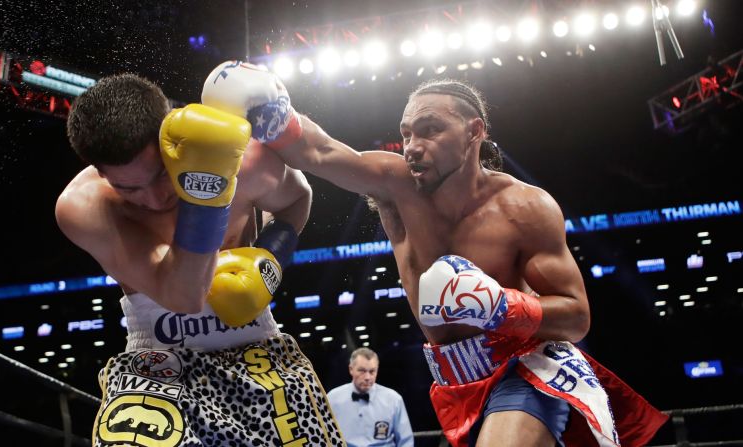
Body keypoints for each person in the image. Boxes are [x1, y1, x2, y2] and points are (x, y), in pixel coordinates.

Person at [201, 62, 669, 447]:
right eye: (406, 134)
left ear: (474, 132)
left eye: (430, 130)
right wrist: (277, 115)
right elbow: (320, 153)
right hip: (453, 380)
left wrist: (500, 305)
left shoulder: (525, 207)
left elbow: (577, 315)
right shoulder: (395, 185)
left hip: (526, 365)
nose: (413, 147)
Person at [56, 73, 346, 446]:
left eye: (163, 174)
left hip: (259, 352)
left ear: (171, 136)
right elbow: (184, 295)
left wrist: (271, 257)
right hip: (157, 365)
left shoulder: (248, 162)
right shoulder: (85, 207)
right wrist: (208, 193)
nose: (155, 198)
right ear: (100, 172)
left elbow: (297, 197)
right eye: (128, 188)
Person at [327, 348, 413, 447]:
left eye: (372, 371)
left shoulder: (393, 399)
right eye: (362, 371)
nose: (367, 377)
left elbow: (406, 442)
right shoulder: (332, 399)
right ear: (351, 369)